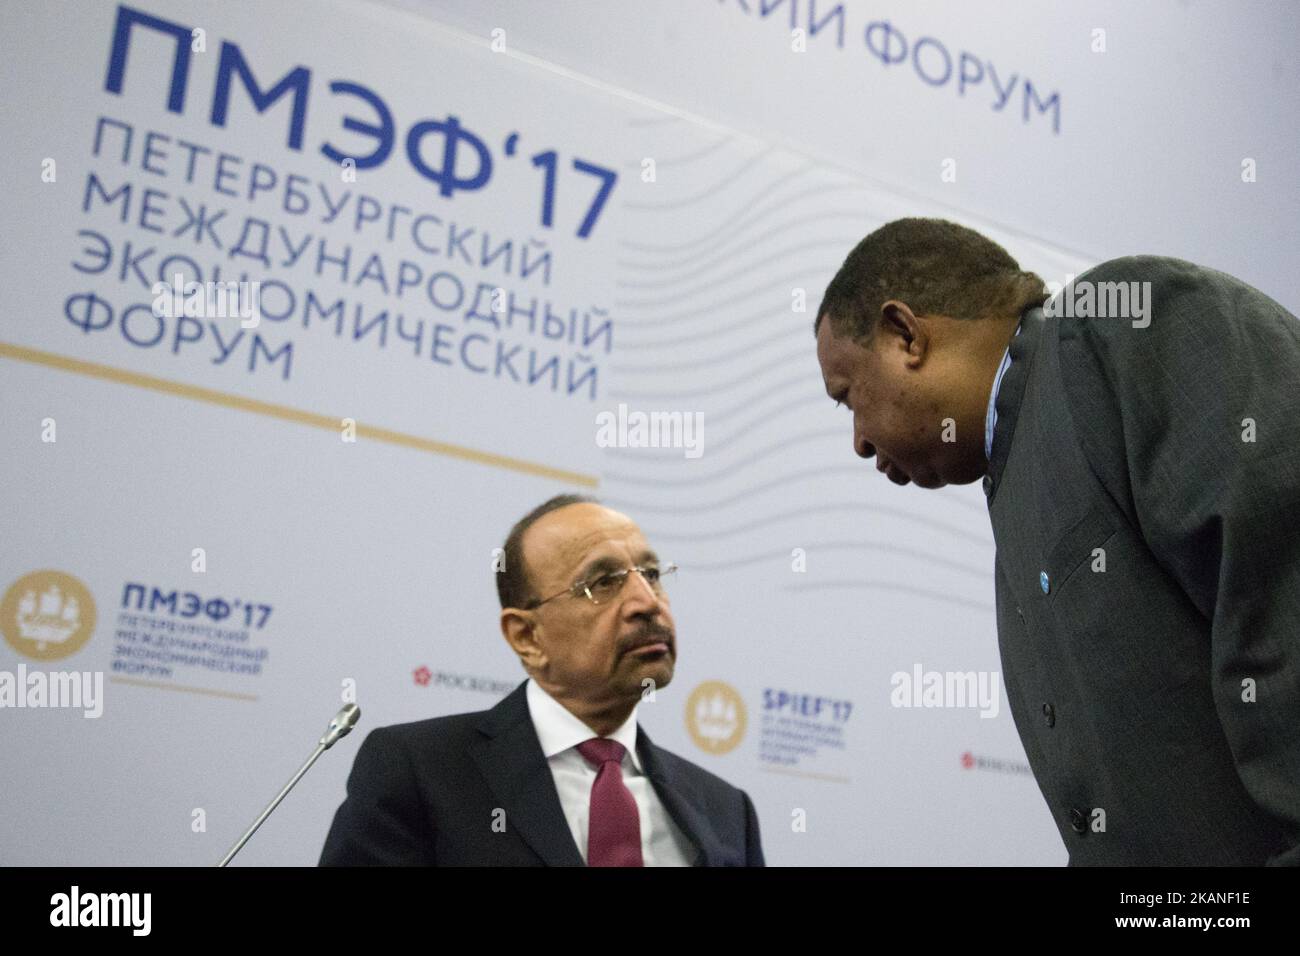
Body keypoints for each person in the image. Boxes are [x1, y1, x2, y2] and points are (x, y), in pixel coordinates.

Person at [813, 217, 1300, 865]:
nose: (860, 442)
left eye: (849, 397)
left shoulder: (1125, 324)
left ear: (906, 335)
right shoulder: (1014, 483)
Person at [320, 494, 765, 866]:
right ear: (527, 636)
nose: (646, 603)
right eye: (603, 582)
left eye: (651, 574)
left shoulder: (726, 810)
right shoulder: (419, 771)